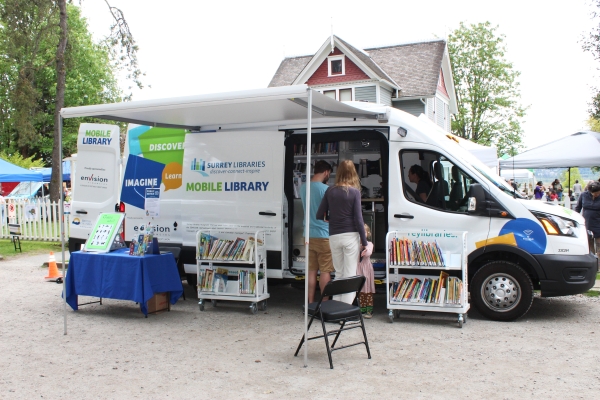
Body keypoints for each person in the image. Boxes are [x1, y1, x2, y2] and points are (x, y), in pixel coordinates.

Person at [316, 159, 367, 304]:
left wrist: (330, 218)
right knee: (350, 276)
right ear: (353, 174)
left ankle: (336, 308)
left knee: (338, 274)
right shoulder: (355, 192)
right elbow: (358, 219)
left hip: (334, 236)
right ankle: (345, 314)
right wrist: (364, 242)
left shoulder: (330, 190)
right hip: (350, 236)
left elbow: (319, 214)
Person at [299, 160, 334, 304]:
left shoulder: (303, 187)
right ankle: (324, 303)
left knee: (311, 271)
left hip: (307, 234)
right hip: (324, 235)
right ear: (326, 172)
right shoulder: (326, 189)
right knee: (325, 272)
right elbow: (330, 213)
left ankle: (310, 303)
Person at [575, 182, 600, 258]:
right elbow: (578, 208)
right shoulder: (583, 195)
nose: (596, 195)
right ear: (590, 191)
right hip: (587, 223)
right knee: (590, 244)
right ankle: (593, 264)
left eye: (598, 193)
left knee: (599, 245)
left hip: (598, 223)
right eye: (594, 193)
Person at [356, 223, 375, 318]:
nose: (362, 235)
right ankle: (361, 310)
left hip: (366, 269)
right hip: (358, 268)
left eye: (364, 233)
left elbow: (368, 253)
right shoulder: (355, 245)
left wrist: (365, 247)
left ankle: (369, 311)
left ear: (368, 233)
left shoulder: (370, 244)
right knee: (360, 291)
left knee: (368, 290)